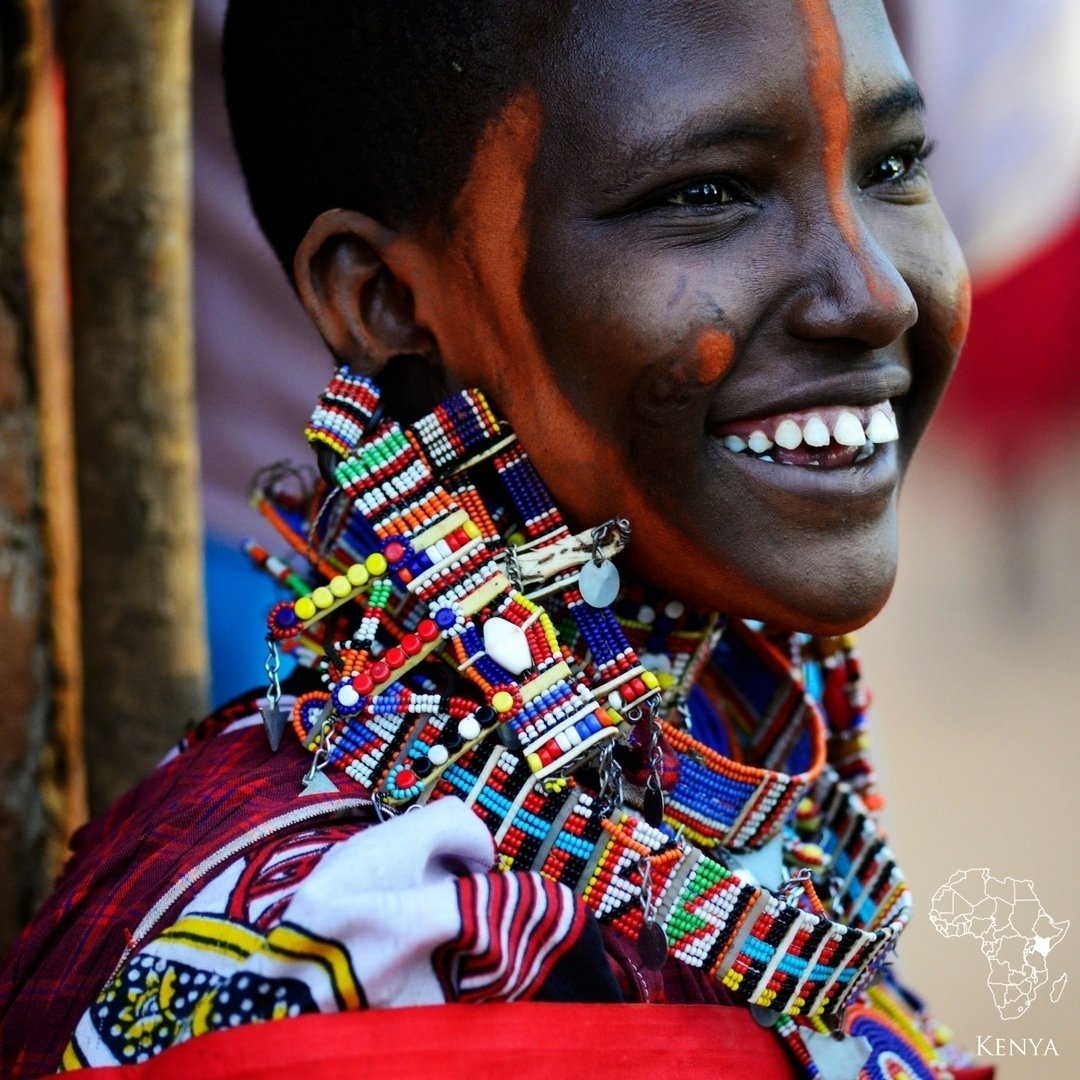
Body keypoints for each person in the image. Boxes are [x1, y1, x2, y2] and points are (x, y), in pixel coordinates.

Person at [0, 1, 991, 1077]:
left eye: (894, 167)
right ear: (382, 300)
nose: (876, 294)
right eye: (705, 194)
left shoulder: (743, 776)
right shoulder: (358, 950)